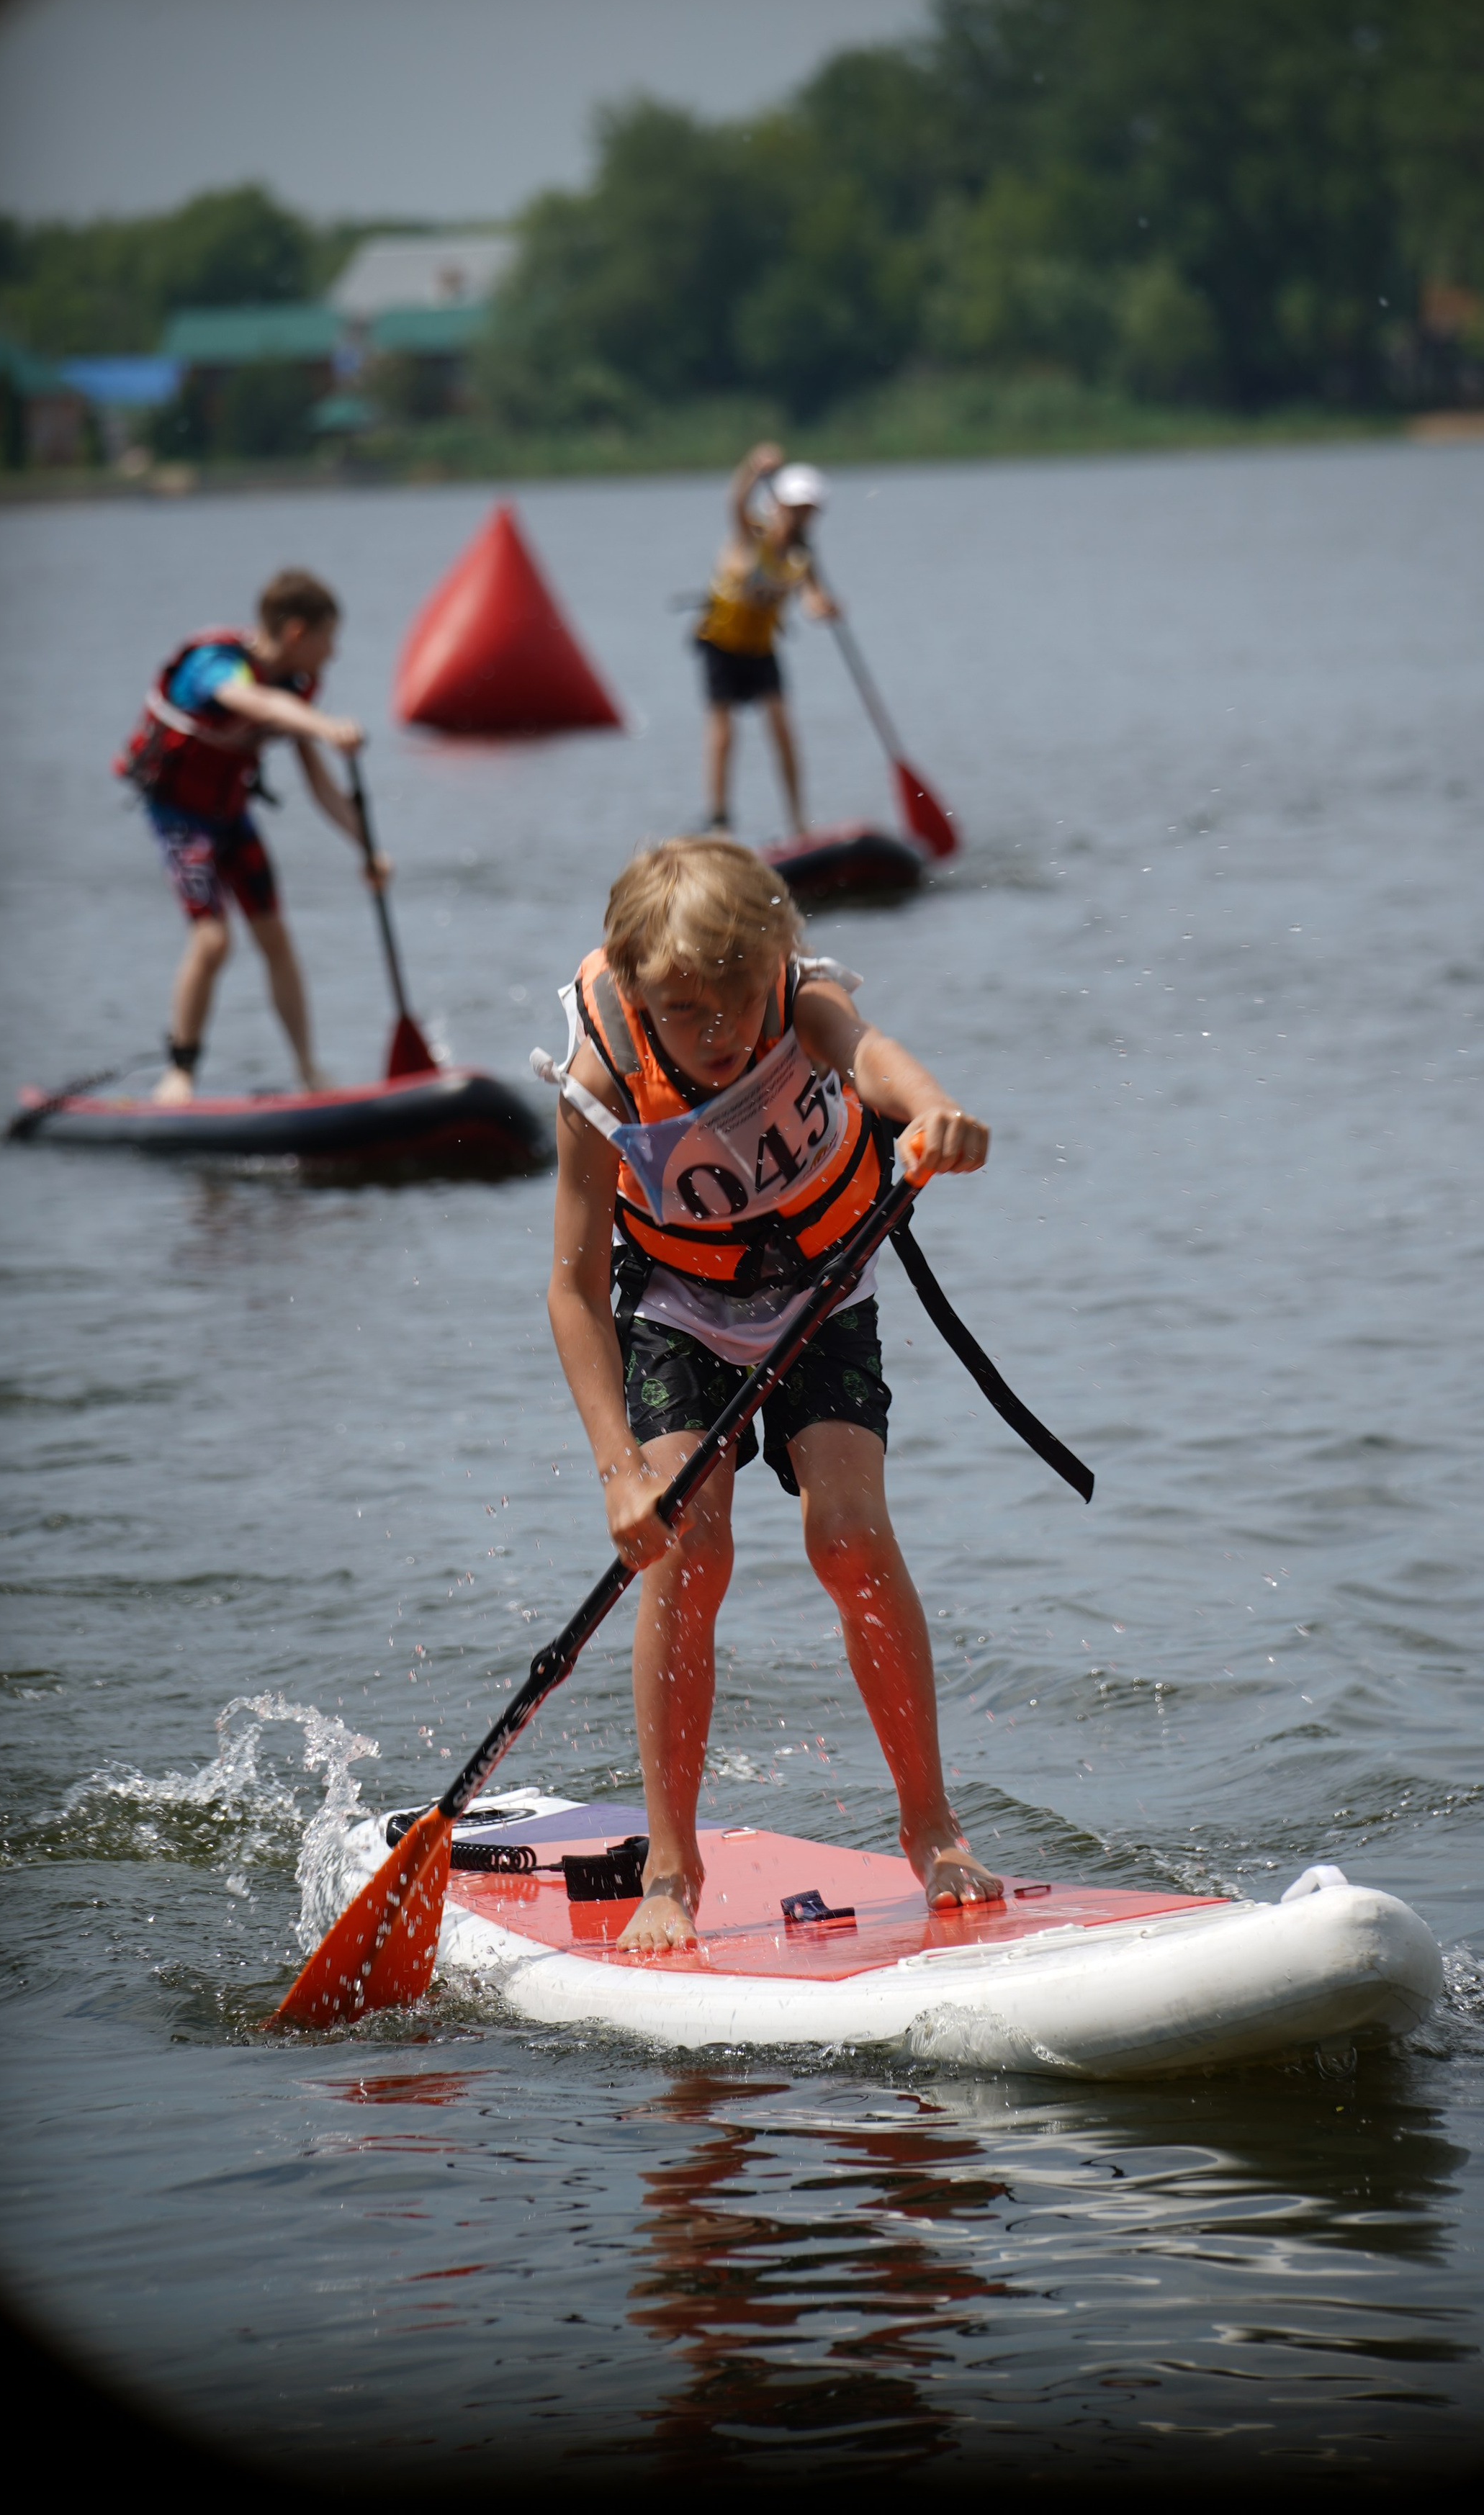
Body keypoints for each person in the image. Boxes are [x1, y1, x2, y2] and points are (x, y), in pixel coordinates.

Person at [544, 834, 1000, 1952]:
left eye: (737, 1001)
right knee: (689, 1550)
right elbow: (569, 1287)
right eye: (686, 1009)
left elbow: (877, 1059)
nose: (718, 1033)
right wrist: (618, 1477)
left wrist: (935, 1112)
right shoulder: (600, 1077)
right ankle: (670, 1866)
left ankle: (932, 1827)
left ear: (776, 964)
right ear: (639, 985)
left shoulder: (799, 1005)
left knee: (848, 1539)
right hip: (676, 1310)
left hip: (820, 1290)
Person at [115, 567, 387, 1104]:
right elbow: (253, 704)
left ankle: (309, 1072)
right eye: (328, 639)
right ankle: (180, 1073)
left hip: (232, 817)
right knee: (213, 941)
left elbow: (321, 784)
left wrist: (369, 849)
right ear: (295, 634)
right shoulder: (215, 666)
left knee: (275, 938)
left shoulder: (296, 688)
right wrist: (326, 725)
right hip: (180, 818)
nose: (332, 655)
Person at [693, 443, 837, 838]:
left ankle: (798, 823)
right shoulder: (751, 534)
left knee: (782, 729)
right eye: (796, 509)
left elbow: (811, 599)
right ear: (779, 506)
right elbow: (735, 501)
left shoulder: (802, 555)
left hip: (761, 649)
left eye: (809, 511)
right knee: (723, 732)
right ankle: (719, 821)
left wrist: (824, 608)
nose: (802, 518)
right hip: (721, 644)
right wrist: (753, 469)